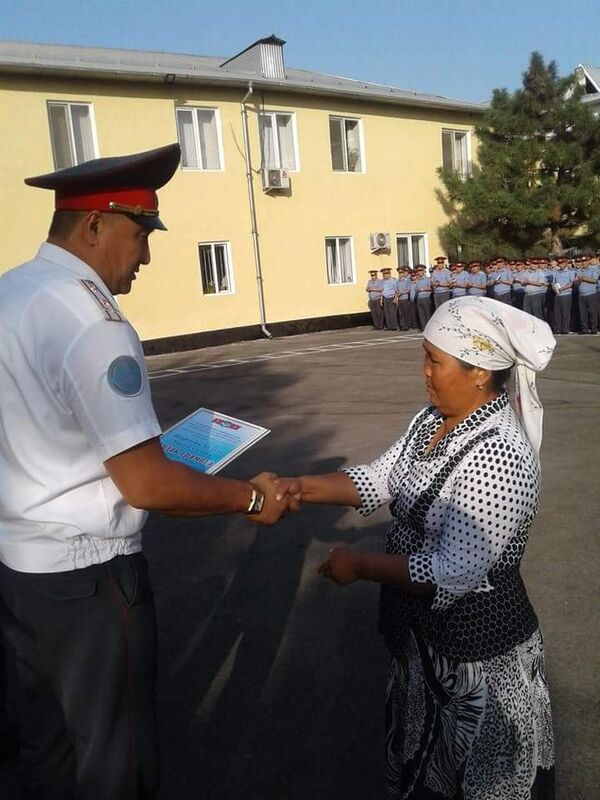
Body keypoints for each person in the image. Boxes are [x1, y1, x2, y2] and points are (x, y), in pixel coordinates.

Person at [0, 144, 291, 800]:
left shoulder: (11, 291)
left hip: (19, 570)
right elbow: (148, 483)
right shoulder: (93, 321)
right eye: (140, 235)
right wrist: (251, 499)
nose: (146, 257)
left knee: (46, 749)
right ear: (93, 225)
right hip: (89, 581)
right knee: (116, 759)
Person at [272, 296, 557, 799]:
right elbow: (379, 478)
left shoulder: (499, 454)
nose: (424, 371)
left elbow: (453, 570)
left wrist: (360, 565)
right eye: (424, 356)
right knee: (427, 770)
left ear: (478, 373)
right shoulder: (431, 421)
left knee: (478, 777)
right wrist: (300, 486)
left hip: (478, 650)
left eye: (435, 360)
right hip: (424, 637)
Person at [413, 264, 433, 329]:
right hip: (419, 298)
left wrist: (422, 289)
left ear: (424, 271)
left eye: (421, 271)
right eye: (418, 271)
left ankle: (429, 327)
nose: (420, 272)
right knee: (421, 314)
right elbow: (416, 289)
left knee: (427, 313)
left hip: (426, 297)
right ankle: (423, 327)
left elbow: (430, 289)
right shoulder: (417, 280)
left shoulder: (427, 279)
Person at [395, 266, 412, 331]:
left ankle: (407, 326)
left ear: (403, 273)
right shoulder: (397, 281)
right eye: (399, 273)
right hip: (400, 299)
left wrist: (401, 293)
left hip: (405, 298)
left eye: (401, 273)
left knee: (406, 313)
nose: (400, 274)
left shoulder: (407, 280)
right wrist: (397, 294)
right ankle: (402, 326)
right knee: (401, 313)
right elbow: (396, 289)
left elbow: (409, 290)